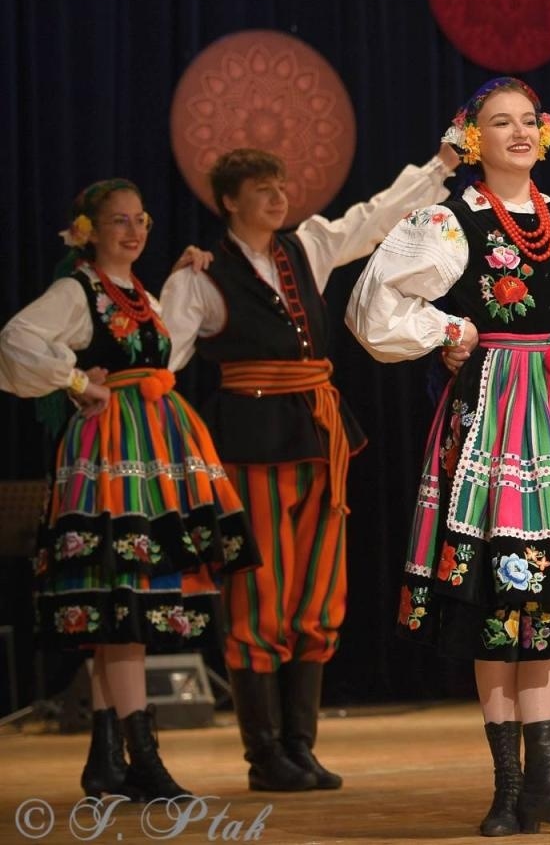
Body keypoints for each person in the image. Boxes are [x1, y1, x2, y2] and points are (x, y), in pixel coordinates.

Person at [346, 77, 550, 835]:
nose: (521, 131)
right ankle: (507, 787)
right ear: (473, 140)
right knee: (504, 593)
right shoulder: (449, 219)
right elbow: (373, 308)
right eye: (501, 122)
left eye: (530, 119)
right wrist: (447, 333)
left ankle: (549, 785)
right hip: (498, 414)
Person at [159, 140, 461, 791]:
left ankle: (300, 745)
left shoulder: (308, 248)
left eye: (280, 186)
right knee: (259, 590)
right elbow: (161, 356)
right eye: (261, 189)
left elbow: (376, 217)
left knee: (320, 592)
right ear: (230, 201)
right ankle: (264, 754)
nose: (277, 197)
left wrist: (439, 167)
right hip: (249, 438)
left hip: (318, 432)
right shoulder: (200, 277)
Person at [0, 179, 259, 801]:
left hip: (157, 444)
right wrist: (72, 379)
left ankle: (105, 760)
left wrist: (186, 273)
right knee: (122, 597)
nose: (133, 230)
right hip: (113, 450)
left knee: (123, 601)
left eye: (140, 219)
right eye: (118, 221)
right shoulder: (78, 289)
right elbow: (16, 339)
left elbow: (170, 341)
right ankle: (140, 758)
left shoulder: (142, 293)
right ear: (89, 230)